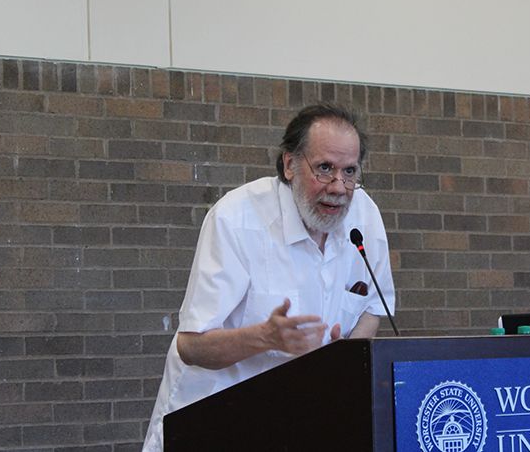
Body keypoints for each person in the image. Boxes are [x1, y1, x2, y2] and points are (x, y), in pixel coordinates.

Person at [142, 103, 396, 451]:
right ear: (289, 164)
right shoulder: (236, 219)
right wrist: (265, 337)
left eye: (350, 171)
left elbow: (372, 306)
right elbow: (191, 347)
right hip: (214, 424)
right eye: (325, 168)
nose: (339, 186)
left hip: (302, 423)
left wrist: (344, 356)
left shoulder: (364, 215)